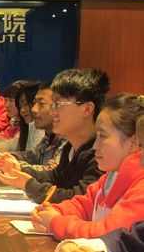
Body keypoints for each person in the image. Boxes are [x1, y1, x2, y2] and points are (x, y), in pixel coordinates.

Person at [31, 94, 144, 239]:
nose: (95, 146)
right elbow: (84, 205)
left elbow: (109, 235)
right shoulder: (110, 176)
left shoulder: (140, 188)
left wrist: (56, 222)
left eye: (103, 136)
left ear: (134, 142)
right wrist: (54, 210)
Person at [0, 69, 109, 204]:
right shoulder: (70, 147)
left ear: (87, 109)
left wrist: (29, 185)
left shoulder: (101, 152)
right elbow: (56, 177)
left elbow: (81, 199)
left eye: (58, 104)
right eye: (52, 104)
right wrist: (20, 170)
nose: (52, 111)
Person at [6, 81, 67, 171]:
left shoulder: (69, 138)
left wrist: (16, 166)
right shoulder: (49, 136)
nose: (34, 109)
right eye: (34, 103)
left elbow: (53, 172)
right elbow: (34, 156)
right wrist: (10, 157)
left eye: (41, 104)